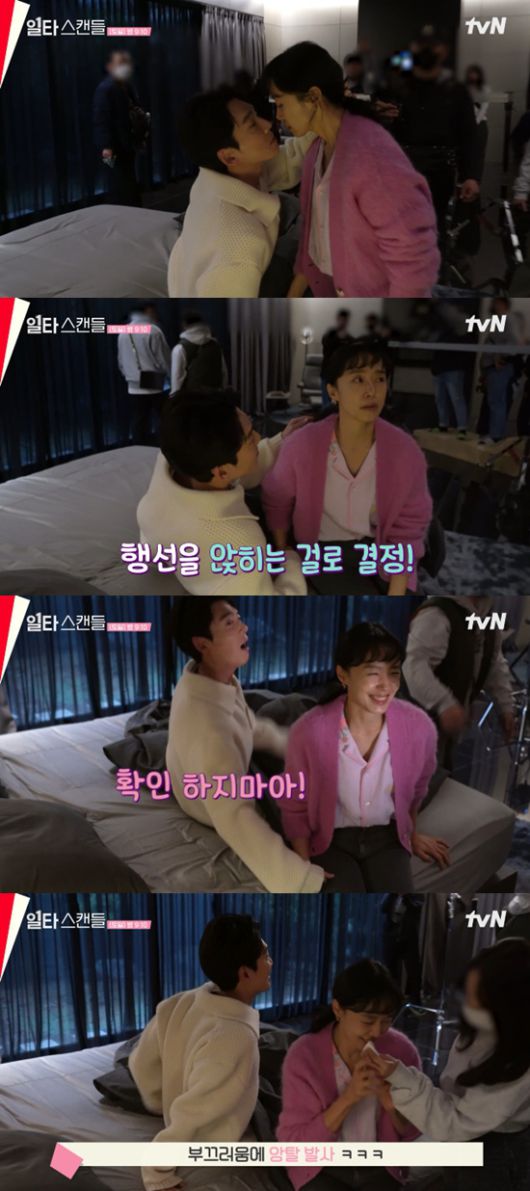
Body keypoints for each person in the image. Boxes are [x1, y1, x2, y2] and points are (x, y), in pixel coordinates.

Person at [165, 598, 325, 893]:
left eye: (238, 618)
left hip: (213, 766)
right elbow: (235, 817)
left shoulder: (209, 677)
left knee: (295, 715)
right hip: (210, 800)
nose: (244, 628)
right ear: (202, 644)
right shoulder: (210, 729)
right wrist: (301, 877)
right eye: (230, 623)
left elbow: (251, 727)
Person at [280, 622, 449, 893]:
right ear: (343, 675)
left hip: (387, 839)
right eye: (373, 673)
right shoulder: (308, 731)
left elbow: (417, 790)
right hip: (330, 841)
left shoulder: (419, 727)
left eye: (393, 673)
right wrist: (302, 864)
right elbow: (294, 804)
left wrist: (411, 834)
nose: (386, 685)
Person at [264, 42, 440, 298]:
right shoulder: (316, 150)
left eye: (281, 104)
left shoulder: (371, 155)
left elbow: (414, 255)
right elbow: (314, 237)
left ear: (313, 97)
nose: (279, 116)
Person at [261, 340, 432, 595]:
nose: (371, 391)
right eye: (358, 379)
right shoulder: (302, 445)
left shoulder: (405, 452)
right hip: (324, 552)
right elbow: (277, 499)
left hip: (380, 549)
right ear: (333, 391)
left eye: (380, 379)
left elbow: (408, 530)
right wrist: (284, 552)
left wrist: (396, 594)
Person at [366, 938, 530, 1191]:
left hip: (492, 1154)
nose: (468, 1006)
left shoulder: (514, 1062)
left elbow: (453, 1122)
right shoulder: (479, 1030)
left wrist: (399, 1081)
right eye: (467, 994)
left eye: (476, 1000)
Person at [129, 914, 272, 1191]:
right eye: (265, 956)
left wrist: (159, 1101)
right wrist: (157, 1173)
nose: (271, 963)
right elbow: (192, 1113)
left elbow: (141, 1063)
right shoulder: (234, 1039)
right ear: (245, 973)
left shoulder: (181, 1001)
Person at [137, 390, 309, 595]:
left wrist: (281, 440)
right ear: (222, 472)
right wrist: (290, 558)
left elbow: (237, 472)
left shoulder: (175, 457)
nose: (258, 437)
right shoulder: (239, 543)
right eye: (249, 439)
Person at [277, 959, 422, 1190]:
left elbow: (413, 1131)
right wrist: (349, 1097)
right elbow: (297, 1146)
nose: (377, 1031)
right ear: (338, 1010)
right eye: (368, 1021)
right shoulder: (304, 1056)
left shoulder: (402, 1051)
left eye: (386, 1020)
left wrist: (393, 1107)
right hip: (322, 1168)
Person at [168, 86, 315, 297]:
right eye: (252, 124)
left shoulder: (226, 173)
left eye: (256, 115)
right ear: (229, 157)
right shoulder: (239, 249)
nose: (268, 124)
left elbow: (289, 160)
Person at [381, 41, 481, 247]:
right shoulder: (399, 88)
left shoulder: (456, 90)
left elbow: (468, 134)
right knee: (400, 228)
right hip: (403, 166)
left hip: (441, 167)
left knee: (434, 229)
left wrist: (470, 175)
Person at [402, 597, 516, 767]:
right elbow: (415, 666)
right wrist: (444, 703)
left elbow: (494, 660)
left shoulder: (486, 613)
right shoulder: (438, 612)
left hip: (450, 729)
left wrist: (506, 706)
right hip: (418, 724)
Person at [92, 48, 149, 206]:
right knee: (118, 181)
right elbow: (101, 119)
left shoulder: (126, 86)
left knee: (128, 177)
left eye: (126, 63)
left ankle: (134, 207)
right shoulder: (106, 88)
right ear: (110, 66)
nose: (125, 66)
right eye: (120, 63)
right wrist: (106, 146)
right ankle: (125, 209)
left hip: (128, 141)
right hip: (114, 144)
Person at [117, 305, 171, 444]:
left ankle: (139, 449)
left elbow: (121, 361)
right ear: (147, 312)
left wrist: (128, 374)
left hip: (133, 383)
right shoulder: (154, 330)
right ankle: (166, 446)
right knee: (164, 417)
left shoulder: (123, 332)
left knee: (139, 420)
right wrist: (170, 376)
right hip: (154, 380)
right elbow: (164, 359)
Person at [479, 298, 523, 443]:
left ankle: (495, 435)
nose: (492, 305)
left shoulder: (508, 320)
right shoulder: (499, 321)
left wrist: (500, 356)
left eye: (495, 303)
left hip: (500, 367)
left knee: (497, 402)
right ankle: (494, 433)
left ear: (502, 304)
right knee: (494, 401)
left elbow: (514, 343)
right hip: (492, 367)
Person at [430, 302, 470, 436]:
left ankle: (462, 427)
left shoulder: (461, 323)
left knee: (456, 397)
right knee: (440, 397)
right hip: (439, 366)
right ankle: (443, 424)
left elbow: (464, 338)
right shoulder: (439, 327)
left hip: (453, 367)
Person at [170, 311, 228, 394]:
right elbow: (224, 373)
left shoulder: (180, 348)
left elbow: (177, 380)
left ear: (184, 325)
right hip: (215, 397)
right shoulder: (216, 345)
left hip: (191, 399)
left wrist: (173, 398)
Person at [320, 310, 354, 406]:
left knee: (342, 401)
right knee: (326, 402)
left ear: (347, 321)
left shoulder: (349, 339)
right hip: (327, 373)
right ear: (337, 319)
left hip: (341, 374)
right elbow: (326, 347)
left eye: (345, 320)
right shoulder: (329, 335)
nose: (342, 322)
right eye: (341, 320)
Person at [464, 65, 491, 183]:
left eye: (474, 73)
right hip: (466, 123)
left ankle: (476, 178)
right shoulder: (465, 88)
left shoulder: (485, 89)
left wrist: (475, 122)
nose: (472, 76)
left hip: (479, 124)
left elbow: (484, 108)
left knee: (478, 152)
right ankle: (465, 177)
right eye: (471, 73)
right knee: (466, 152)